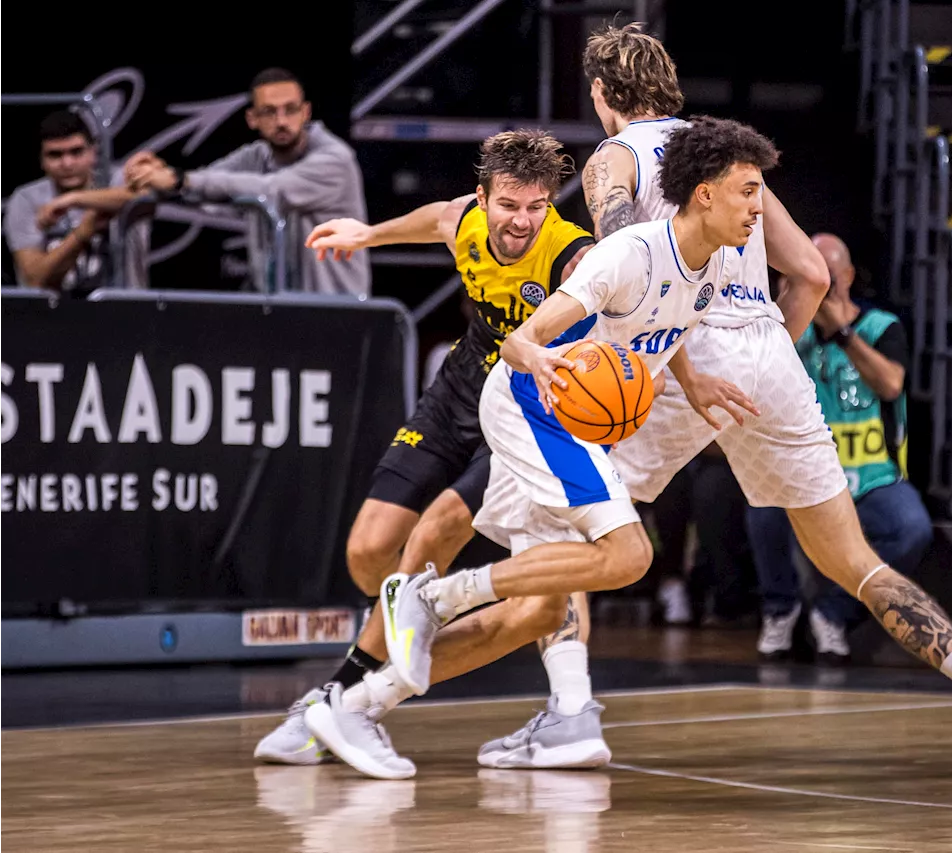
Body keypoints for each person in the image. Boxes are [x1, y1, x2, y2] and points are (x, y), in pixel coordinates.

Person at [451, 23, 952, 776]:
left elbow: (634, 271)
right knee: (856, 561)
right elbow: (809, 272)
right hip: (771, 353)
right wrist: (772, 352)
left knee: (564, 527)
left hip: (677, 352)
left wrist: (679, 369)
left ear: (602, 94)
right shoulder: (732, 165)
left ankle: (569, 714)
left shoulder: (612, 158)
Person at [301, 114, 768, 780]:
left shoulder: (714, 265)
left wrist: (689, 383)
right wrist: (542, 361)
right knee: (623, 553)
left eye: (536, 205)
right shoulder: (621, 255)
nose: (760, 208)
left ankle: (357, 703)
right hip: (527, 403)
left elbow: (669, 322)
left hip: (555, 411)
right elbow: (522, 344)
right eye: (749, 191)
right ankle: (427, 605)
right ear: (705, 195)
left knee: (547, 602)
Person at [250, 129, 592, 765]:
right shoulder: (463, 217)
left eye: (536, 206)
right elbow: (434, 218)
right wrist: (367, 234)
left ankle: (346, 696)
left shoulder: (571, 257)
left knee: (451, 544)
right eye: (509, 205)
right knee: (370, 551)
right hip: (462, 386)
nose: (521, 220)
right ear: (483, 196)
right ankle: (402, 640)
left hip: (524, 409)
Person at [749, 232, 933, 665]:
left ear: (848, 276)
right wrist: (788, 307)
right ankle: (780, 610)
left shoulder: (879, 327)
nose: (823, 286)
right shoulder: (787, 331)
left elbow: (891, 384)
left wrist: (843, 332)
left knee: (912, 529)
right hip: (805, 475)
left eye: (829, 277)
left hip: (871, 475)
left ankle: (833, 614)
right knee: (760, 509)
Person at [125, 68, 371, 296]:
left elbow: (273, 190)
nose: (282, 121)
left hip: (337, 310)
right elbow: (205, 186)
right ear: (252, 119)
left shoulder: (335, 159)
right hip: (277, 311)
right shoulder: (256, 156)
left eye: (290, 109)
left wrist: (179, 179)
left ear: (306, 112)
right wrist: (162, 175)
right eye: (270, 112)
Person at [3, 109, 148, 294]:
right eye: (55, 155)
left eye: (76, 152)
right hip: (51, 316)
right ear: (41, 159)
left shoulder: (116, 181)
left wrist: (73, 200)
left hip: (123, 312)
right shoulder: (26, 199)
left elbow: (144, 194)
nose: (67, 163)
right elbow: (35, 280)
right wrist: (83, 231)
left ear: (93, 152)